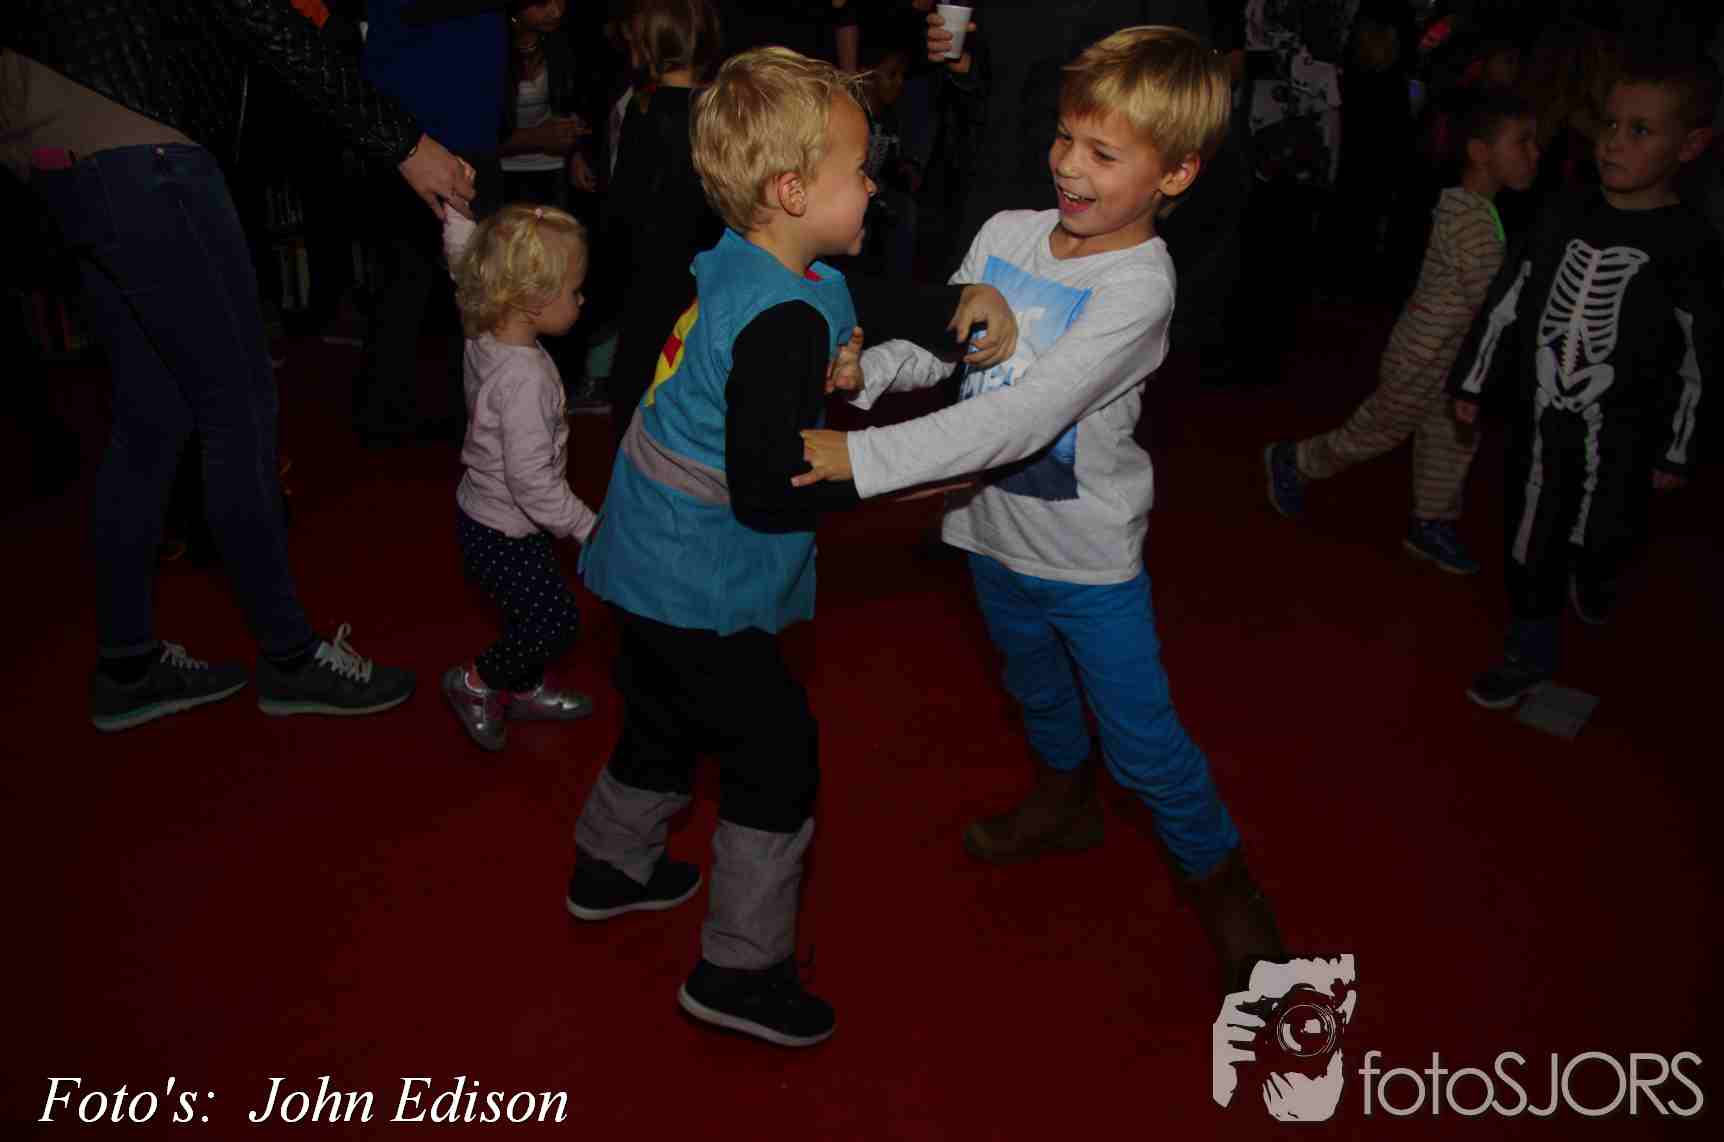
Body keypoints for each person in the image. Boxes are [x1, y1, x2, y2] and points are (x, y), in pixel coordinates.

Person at [793, 26, 1285, 993]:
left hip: (1086, 558)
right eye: (1065, 137)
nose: (1069, 165)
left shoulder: (1138, 287)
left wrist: (863, 458)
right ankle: (1065, 801)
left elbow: (1024, 417)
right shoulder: (1008, 234)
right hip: (989, 532)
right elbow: (947, 346)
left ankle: (1225, 886)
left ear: (1176, 173)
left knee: (1143, 743)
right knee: (1037, 688)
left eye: (1104, 153)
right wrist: (864, 374)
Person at [564, 46, 1018, 1048]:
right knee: (775, 754)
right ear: (791, 190)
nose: (874, 183)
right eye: (859, 169)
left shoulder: (754, 258)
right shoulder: (782, 327)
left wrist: (951, 309)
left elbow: (857, 298)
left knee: (660, 712)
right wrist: (896, 480)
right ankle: (740, 967)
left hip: (641, 549)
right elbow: (771, 489)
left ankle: (609, 865)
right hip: (697, 570)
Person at [5, 1, 472, 732]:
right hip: (139, 134)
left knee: (152, 416)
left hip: (51, 131)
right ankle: (290, 657)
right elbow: (256, 12)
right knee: (238, 408)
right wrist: (405, 142)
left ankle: (128, 664)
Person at [1449, 55, 1722, 709]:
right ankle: (1529, 646)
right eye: (1609, 124)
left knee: (1607, 527)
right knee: (1531, 530)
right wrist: (1473, 379)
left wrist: (1678, 448)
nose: (1613, 142)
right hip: (1542, 416)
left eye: (1639, 130)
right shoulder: (1562, 211)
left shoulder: (1690, 244)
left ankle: (1595, 569)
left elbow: (1700, 355)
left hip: (1629, 427)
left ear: (1690, 146)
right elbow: (1509, 296)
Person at [1264, 91, 1542, 574]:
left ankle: (1431, 520)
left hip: (1449, 356)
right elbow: (1495, 303)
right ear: (1480, 152)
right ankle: (1297, 460)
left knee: (1452, 438)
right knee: (1379, 429)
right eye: (1523, 142)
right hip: (1424, 354)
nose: (1535, 153)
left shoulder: (1474, 210)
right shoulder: (1473, 224)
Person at [439, 205, 599, 751]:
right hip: (506, 531)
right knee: (555, 622)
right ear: (532, 301)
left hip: (481, 517)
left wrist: (456, 215)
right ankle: (476, 682)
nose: (581, 300)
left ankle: (523, 686)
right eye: (574, 291)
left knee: (526, 611)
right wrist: (588, 528)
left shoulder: (483, 323)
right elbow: (532, 483)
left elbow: (465, 264)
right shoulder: (526, 379)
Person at [355, 0, 509, 447]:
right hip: (418, 136)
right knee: (414, 285)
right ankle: (395, 414)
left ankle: (462, 410)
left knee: (463, 287)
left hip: (453, 127)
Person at [597, 0, 725, 445]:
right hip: (704, 272)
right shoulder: (718, 110)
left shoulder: (646, 110)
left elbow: (623, 206)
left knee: (639, 382)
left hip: (650, 275)